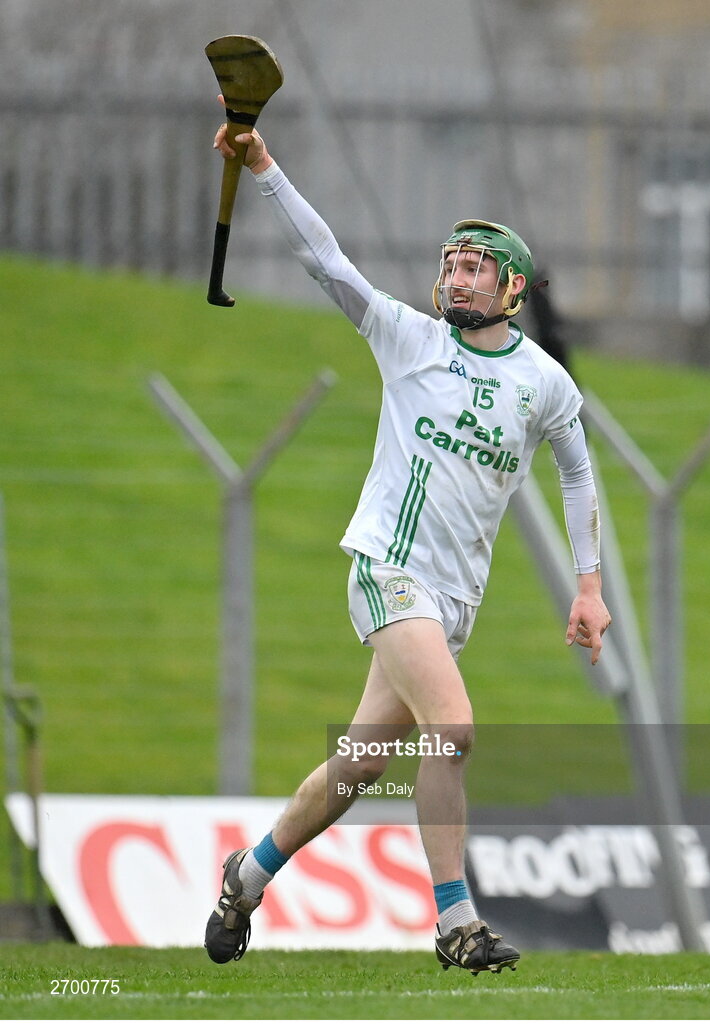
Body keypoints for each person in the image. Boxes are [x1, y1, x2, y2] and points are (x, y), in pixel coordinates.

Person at [204, 104, 611, 975]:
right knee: (452, 730)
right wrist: (265, 166)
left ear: (513, 289)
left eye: (476, 269)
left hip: (451, 601)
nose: (457, 278)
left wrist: (588, 586)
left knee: (354, 770)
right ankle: (456, 922)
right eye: (451, 265)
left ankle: (247, 872)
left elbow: (578, 475)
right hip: (387, 570)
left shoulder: (544, 383)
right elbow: (326, 260)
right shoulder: (407, 338)